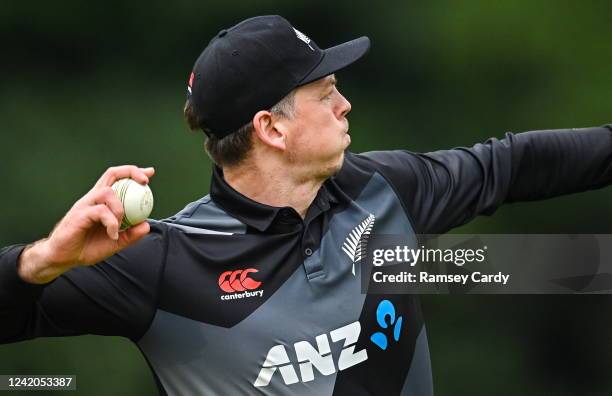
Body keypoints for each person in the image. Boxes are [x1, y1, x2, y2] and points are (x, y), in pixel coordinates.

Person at [1, 14, 612, 396]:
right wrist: (41, 259)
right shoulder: (159, 260)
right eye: (326, 93)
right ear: (270, 128)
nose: (345, 105)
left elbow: (512, 165)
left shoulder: (380, 188)